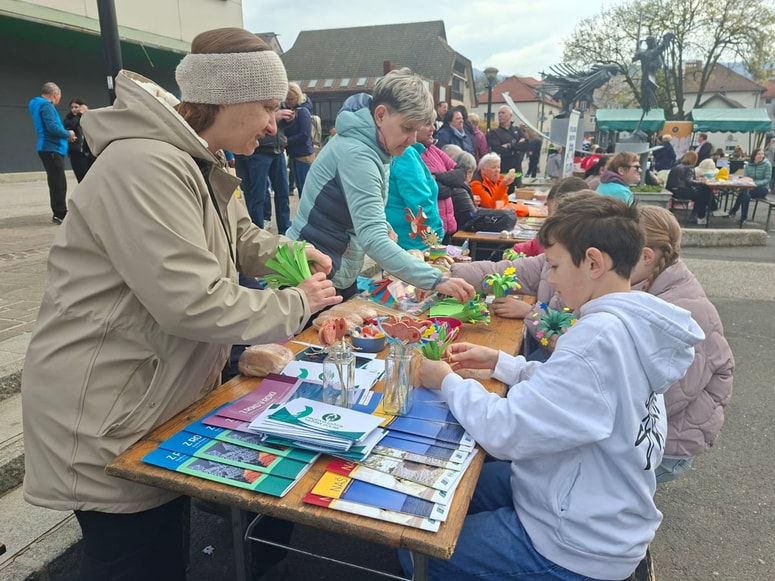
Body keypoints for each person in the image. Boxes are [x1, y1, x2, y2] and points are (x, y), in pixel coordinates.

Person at [21, 27, 342, 581]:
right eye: (267, 107)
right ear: (229, 99)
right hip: (106, 410)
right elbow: (191, 302)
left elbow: (240, 237)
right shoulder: (147, 165)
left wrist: (293, 251)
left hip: (143, 399)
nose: (274, 123)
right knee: (130, 561)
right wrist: (298, 303)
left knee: (159, 555)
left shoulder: (201, 159)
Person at [402, 192, 704, 581]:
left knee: (419, 555)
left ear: (594, 262)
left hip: (576, 541)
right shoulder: (627, 324)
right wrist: (501, 362)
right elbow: (571, 390)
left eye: (557, 265)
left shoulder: (595, 339)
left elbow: (505, 431)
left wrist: (446, 380)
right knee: (462, 481)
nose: (553, 278)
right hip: (589, 501)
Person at [285, 67, 475, 302]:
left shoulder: (376, 146)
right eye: (407, 128)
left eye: (416, 130)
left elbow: (354, 206)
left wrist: (382, 223)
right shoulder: (359, 155)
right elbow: (372, 239)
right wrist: (436, 280)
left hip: (333, 265)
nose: (413, 140)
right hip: (314, 272)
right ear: (381, 115)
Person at [631, 205, 734, 483]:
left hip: (669, 443)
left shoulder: (682, 310)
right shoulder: (657, 285)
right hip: (661, 429)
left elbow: (665, 400)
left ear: (646, 256)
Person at [385, 114, 445, 250]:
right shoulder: (406, 154)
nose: (432, 128)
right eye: (427, 123)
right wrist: (436, 236)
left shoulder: (396, 151)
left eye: (433, 123)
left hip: (399, 239)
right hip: (414, 243)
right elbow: (420, 204)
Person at [234, 102, 293, 233]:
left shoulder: (278, 99)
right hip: (260, 151)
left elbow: (278, 127)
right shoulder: (255, 98)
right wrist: (274, 117)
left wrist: (288, 120)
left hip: (277, 150)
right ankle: (257, 232)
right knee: (257, 195)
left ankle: (286, 230)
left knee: (283, 193)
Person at [28, 82, 75, 224]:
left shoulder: (36, 105)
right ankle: (60, 214)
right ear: (55, 95)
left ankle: (58, 212)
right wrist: (68, 133)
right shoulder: (46, 106)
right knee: (58, 183)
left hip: (47, 148)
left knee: (55, 181)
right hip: (52, 148)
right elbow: (52, 127)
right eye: (59, 97)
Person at [283, 82, 315, 196]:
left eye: (290, 99)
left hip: (304, 155)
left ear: (298, 97)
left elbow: (305, 134)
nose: (288, 102)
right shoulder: (293, 111)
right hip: (295, 155)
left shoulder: (303, 112)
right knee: (301, 188)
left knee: (305, 190)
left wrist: (288, 141)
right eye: (286, 99)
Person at [486, 105, 528, 189]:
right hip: (503, 171)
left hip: (517, 171)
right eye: (499, 113)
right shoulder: (494, 132)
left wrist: (509, 145)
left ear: (510, 115)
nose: (500, 115)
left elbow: (525, 145)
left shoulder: (517, 130)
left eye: (503, 113)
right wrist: (516, 146)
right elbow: (498, 149)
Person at [666, 150, 712, 225]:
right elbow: (689, 182)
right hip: (682, 191)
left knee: (700, 194)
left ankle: (696, 216)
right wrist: (701, 182)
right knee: (704, 194)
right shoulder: (689, 168)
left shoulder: (676, 166)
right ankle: (699, 216)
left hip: (673, 191)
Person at [728, 148, 772, 224]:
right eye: (759, 154)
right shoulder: (748, 165)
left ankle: (735, 211)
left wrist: (755, 183)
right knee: (745, 194)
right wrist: (747, 183)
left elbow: (767, 179)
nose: (761, 156)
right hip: (748, 187)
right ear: (754, 155)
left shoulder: (767, 165)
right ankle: (742, 218)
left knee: (744, 193)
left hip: (762, 188)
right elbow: (746, 177)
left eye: (762, 154)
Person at [63, 98, 95, 182]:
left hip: (90, 152)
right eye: (72, 107)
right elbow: (72, 125)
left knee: (93, 178)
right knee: (82, 178)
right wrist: (79, 114)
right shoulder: (68, 119)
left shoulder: (90, 117)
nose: (74, 109)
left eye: (76, 107)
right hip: (77, 153)